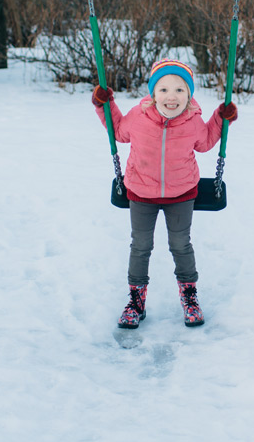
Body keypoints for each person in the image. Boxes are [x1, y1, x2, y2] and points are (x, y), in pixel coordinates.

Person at [92, 59, 238, 329]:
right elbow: (119, 131)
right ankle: (136, 299)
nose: (172, 97)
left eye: (180, 90)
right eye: (163, 90)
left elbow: (205, 143)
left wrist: (220, 117)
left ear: (189, 95)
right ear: (152, 93)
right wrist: (105, 104)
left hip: (181, 193)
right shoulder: (138, 117)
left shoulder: (193, 122)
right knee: (140, 246)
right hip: (141, 192)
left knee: (180, 245)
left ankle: (189, 296)